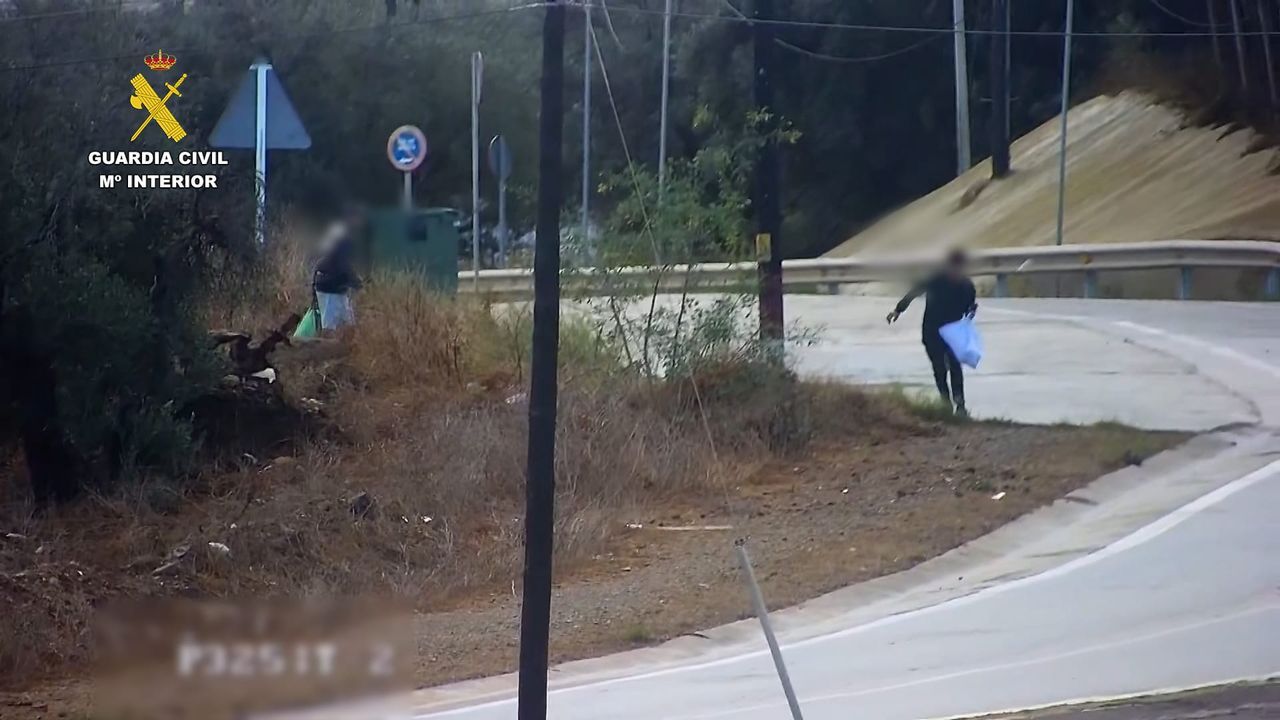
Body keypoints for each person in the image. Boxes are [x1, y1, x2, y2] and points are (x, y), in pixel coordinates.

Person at [886, 249, 977, 416]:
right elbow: (914, 291)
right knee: (939, 368)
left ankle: (960, 405)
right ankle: (945, 402)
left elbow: (970, 308)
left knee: (955, 366)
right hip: (932, 330)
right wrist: (898, 310)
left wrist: (971, 314)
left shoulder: (967, 286)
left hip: (953, 331)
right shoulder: (935, 280)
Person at [312, 208, 363, 333]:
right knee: (331, 326)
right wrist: (357, 283)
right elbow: (342, 264)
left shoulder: (337, 235)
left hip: (332, 285)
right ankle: (325, 350)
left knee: (348, 322)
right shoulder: (343, 239)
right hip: (331, 286)